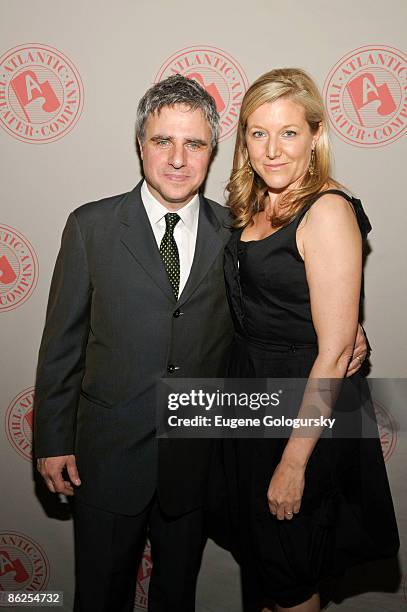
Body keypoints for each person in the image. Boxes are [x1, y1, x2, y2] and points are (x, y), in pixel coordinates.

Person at [33, 73, 368, 612]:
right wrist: (51, 439)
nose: (176, 158)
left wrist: (350, 330)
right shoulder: (90, 227)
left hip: (198, 461)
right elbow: (61, 347)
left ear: (213, 153)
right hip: (108, 456)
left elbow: (274, 311)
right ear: (140, 145)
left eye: (194, 144)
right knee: (98, 596)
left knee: (177, 596)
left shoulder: (234, 233)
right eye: (163, 140)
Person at [222, 68, 399, 611]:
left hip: (304, 415)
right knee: (265, 569)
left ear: (316, 135)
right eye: (258, 132)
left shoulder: (325, 210)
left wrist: (294, 462)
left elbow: (333, 352)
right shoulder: (255, 203)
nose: (272, 149)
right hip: (254, 401)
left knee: (293, 577)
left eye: (289, 132)